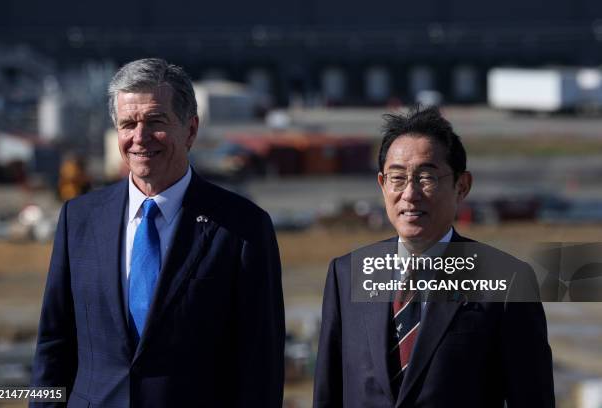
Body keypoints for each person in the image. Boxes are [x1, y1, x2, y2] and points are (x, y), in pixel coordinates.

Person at [30, 58, 285, 407]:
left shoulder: (242, 227)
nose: (139, 137)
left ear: (191, 130)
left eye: (155, 122)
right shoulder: (79, 219)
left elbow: (260, 367)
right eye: (127, 124)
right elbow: (52, 348)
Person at [313, 106, 554, 408]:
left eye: (426, 177)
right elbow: (328, 392)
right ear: (382, 185)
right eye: (397, 178)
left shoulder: (506, 281)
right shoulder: (347, 273)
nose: (410, 194)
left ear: (461, 186)